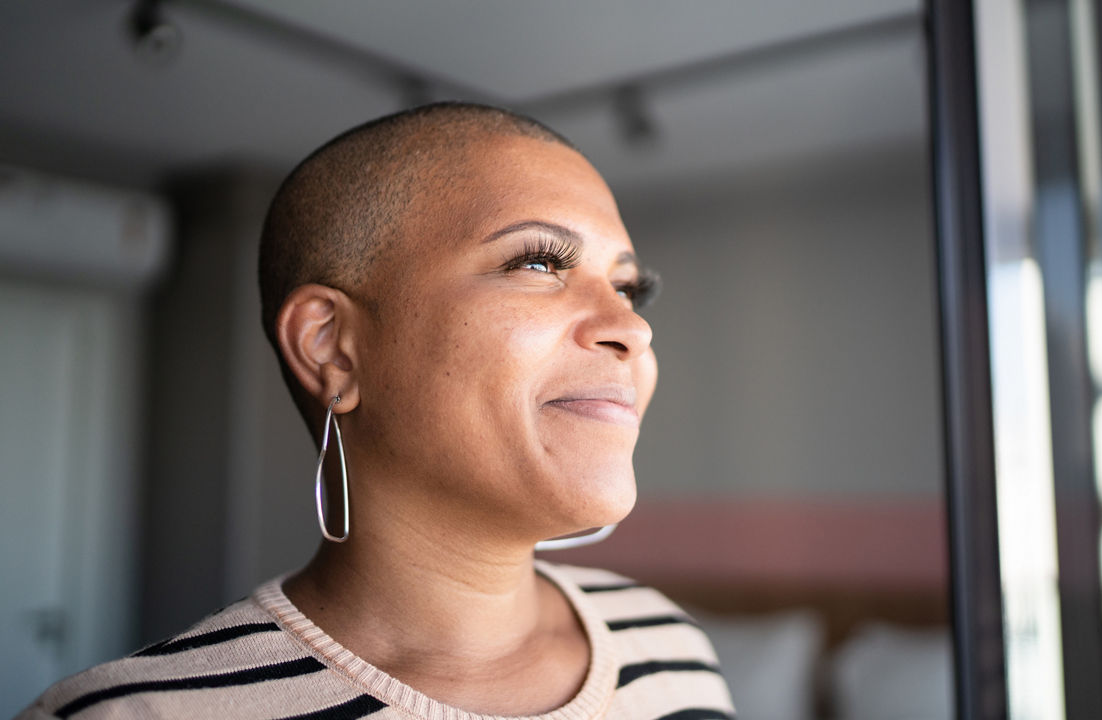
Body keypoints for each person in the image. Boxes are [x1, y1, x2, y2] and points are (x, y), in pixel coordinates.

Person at [19, 102, 735, 719]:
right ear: (333, 348)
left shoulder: (668, 646)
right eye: (539, 263)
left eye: (629, 289)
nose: (633, 329)